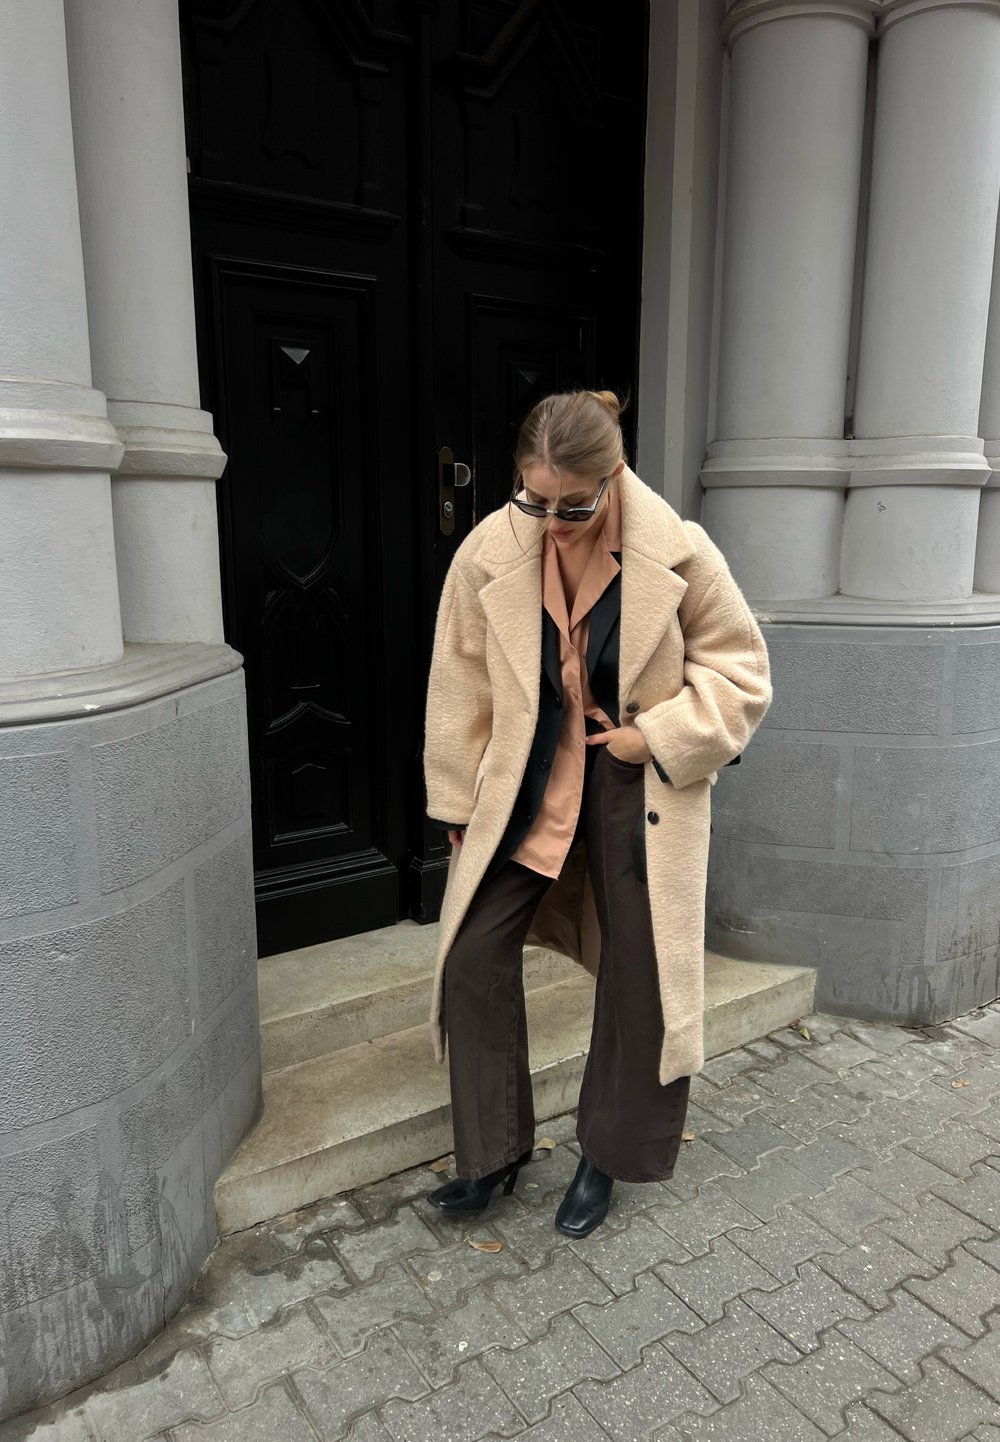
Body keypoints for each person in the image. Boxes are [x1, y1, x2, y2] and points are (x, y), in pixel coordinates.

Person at [421, 389, 772, 1238]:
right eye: (532, 499)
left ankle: (606, 1157)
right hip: (527, 785)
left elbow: (743, 675)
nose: (552, 520)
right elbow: (459, 681)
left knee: (640, 973)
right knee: (471, 957)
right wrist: (457, 801)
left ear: (613, 478)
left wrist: (656, 737)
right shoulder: (486, 553)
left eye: (573, 504)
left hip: (634, 786)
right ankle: (493, 1152)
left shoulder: (681, 554)